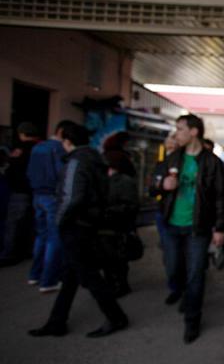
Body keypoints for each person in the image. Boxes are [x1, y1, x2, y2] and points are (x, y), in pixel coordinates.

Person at [28, 123, 129, 338]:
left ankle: (116, 317)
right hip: (88, 223)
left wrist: (59, 221)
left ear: (67, 141)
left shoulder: (76, 162)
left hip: (76, 225)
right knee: (71, 276)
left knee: (89, 276)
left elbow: (71, 197)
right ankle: (57, 321)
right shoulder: (95, 159)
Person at [151, 114, 224, 344]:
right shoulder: (173, 158)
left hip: (198, 228)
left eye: (180, 129)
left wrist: (219, 228)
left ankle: (192, 321)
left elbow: (221, 198)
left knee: (196, 274)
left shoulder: (212, 163)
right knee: (174, 268)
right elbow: (152, 185)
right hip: (171, 225)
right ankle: (184, 294)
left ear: (194, 132)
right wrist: (162, 184)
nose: (177, 134)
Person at [26, 120, 71, 292]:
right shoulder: (58, 149)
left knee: (41, 236)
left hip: (37, 195)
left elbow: (30, 172)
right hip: (52, 196)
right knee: (54, 238)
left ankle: (35, 275)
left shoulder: (38, 147)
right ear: (62, 132)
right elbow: (62, 175)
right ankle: (49, 280)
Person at [98, 150, 139, 298]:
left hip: (117, 227)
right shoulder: (102, 179)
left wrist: (109, 210)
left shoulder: (124, 181)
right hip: (104, 226)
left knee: (117, 258)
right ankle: (113, 284)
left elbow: (131, 206)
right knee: (107, 259)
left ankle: (120, 285)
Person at [152, 133, 186, 304]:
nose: (171, 147)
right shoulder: (161, 164)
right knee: (171, 256)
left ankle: (185, 289)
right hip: (165, 215)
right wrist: (161, 185)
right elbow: (152, 189)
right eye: (169, 144)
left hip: (185, 216)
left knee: (184, 255)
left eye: (175, 144)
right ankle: (175, 287)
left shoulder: (185, 164)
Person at [0, 122, 39, 266]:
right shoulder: (42, 148)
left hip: (20, 191)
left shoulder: (20, 149)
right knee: (31, 223)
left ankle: (9, 254)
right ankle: (28, 250)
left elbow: (12, 169)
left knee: (14, 224)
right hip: (37, 191)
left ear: (21, 134)